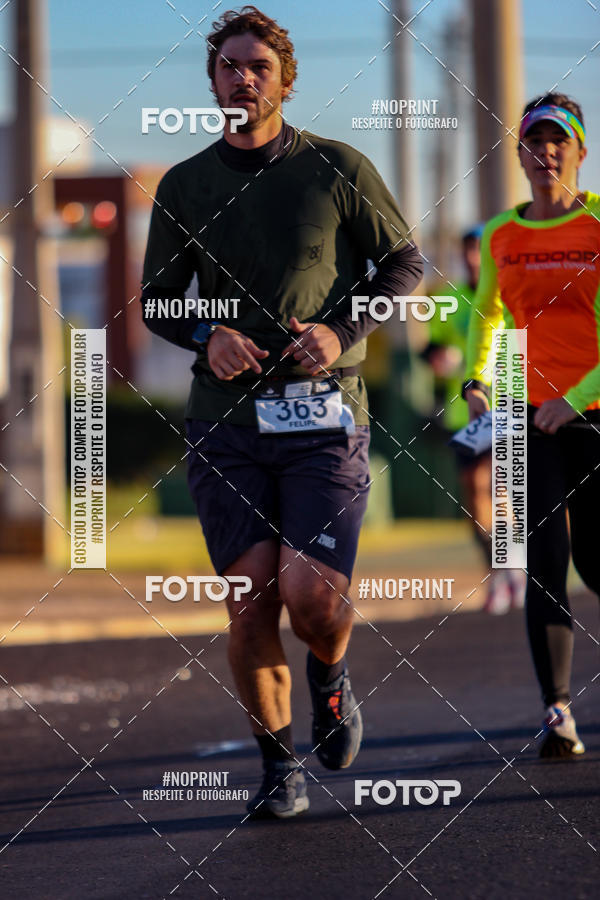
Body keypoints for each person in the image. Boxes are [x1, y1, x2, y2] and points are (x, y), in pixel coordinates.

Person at [140, 6, 423, 816]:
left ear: (285, 81)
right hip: (225, 426)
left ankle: (329, 679)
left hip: (325, 419)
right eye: (229, 65)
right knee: (252, 595)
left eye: (258, 66)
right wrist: (206, 334)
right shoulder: (184, 184)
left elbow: (405, 261)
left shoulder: (337, 168)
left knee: (311, 595)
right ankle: (278, 769)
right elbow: (157, 302)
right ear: (213, 79)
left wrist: (340, 329)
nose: (243, 77)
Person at [463, 92, 600, 757]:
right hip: (527, 415)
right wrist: (477, 377)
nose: (546, 152)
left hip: (595, 413)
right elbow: (487, 312)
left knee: (598, 562)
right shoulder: (500, 235)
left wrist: (573, 401)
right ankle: (557, 710)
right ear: (518, 154)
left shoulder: (599, 226)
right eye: (533, 142)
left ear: (580, 152)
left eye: (559, 141)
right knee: (545, 563)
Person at [423, 228, 524, 614]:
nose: (472, 259)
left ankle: (514, 566)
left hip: (511, 406)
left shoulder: (513, 295)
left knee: (503, 490)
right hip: (465, 413)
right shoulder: (449, 299)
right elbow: (431, 347)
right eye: (467, 251)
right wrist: (438, 357)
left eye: (479, 252)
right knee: (473, 495)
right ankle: (500, 571)